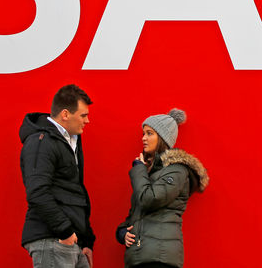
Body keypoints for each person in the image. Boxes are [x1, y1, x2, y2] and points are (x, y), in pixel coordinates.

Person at [116, 108, 209, 268]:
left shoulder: (176, 170)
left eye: (149, 133)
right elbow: (136, 214)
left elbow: (149, 200)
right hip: (141, 256)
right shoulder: (152, 173)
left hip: (159, 258)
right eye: (143, 133)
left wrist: (139, 170)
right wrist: (122, 233)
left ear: (163, 138)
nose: (143, 138)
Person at [19, 84, 96, 268]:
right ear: (65, 114)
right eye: (83, 115)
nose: (87, 121)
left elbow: (74, 192)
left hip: (71, 242)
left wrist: (85, 241)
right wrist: (65, 233)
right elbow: (37, 193)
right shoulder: (42, 142)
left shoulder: (71, 142)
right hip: (53, 239)